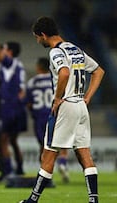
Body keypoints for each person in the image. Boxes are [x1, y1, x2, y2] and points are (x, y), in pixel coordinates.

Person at [19, 16, 104, 203]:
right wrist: (87, 96)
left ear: (43, 35)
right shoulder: (75, 49)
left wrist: (57, 98)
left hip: (66, 105)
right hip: (81, 106)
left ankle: (33, 200)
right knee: (84, 154)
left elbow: (64, 72)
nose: (37, 40)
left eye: (37, 37)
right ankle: (94, 200)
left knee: (48, 154)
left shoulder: (55, 52)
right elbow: (98, 71)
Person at [0, 21, 27, 178]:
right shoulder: (17, 65)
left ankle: (8, 171)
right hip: (17, 107)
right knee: (13, 140)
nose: (0, 51)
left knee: (3, 139)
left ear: (9, 52)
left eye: (4, 49)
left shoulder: (10, 64)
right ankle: (20, 168)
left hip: (10, 107)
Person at [26, 57, 69, 183]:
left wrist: (33, 112)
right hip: (55, 114)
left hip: (39, 118)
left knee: (43, 147)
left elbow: (28, 103)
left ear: (38, 67)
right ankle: (62, 163)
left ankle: (44, 175)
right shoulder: (55, 80)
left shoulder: (32, 82)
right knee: (61, 143)